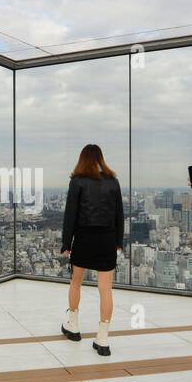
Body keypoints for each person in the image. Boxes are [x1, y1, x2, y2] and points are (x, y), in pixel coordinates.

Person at [61, 143, 124, 356]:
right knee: (105, 289)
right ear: (100, 159)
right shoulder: (113, 182)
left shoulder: (77, 182)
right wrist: (118, 242)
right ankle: (103, 338)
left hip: (84, 238)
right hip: (107, 239)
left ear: (82, 159)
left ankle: (73, 325)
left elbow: (70, 214)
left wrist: (66, 243)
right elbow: (119, 215)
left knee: (76, 283)